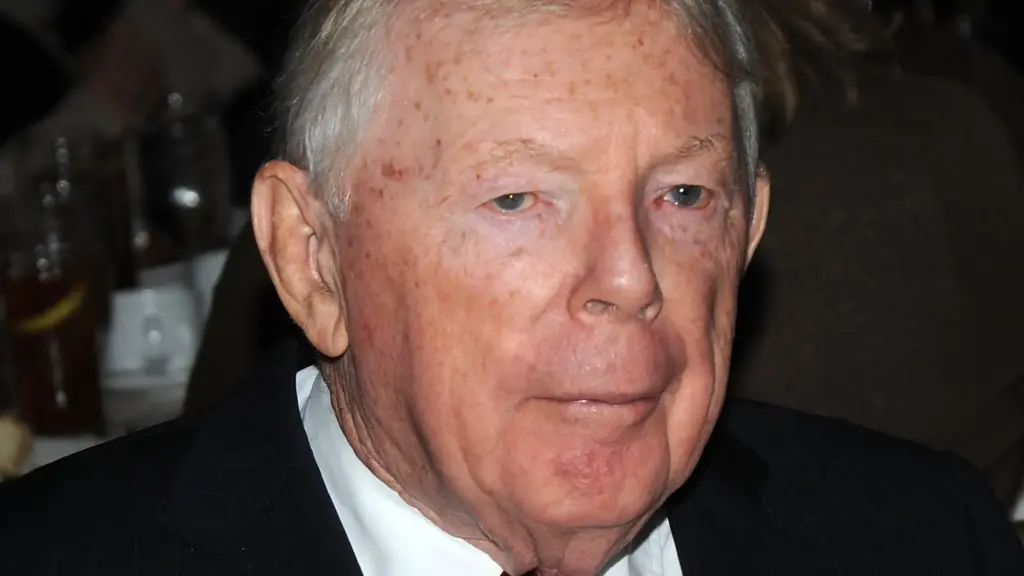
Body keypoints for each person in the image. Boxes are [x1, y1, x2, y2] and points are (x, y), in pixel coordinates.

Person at [2, 1, 1023, 574]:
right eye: (517, 199)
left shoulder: (924, 541)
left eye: (682, 194)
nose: (629, 278)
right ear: (312, 257)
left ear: (748, 230)